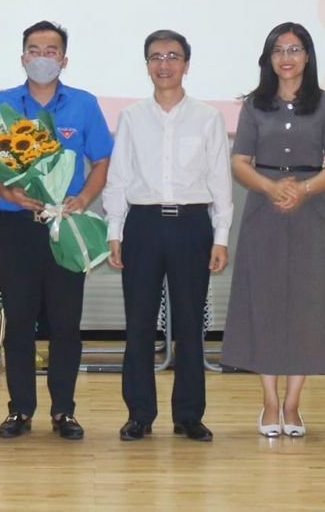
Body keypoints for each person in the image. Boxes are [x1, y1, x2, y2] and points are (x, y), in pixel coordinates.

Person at [0, 20, 112, 440]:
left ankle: (63, 411)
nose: (42, 58)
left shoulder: (84, 104)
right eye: (34, 50)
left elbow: (102, 160)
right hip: (17, 226)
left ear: (64, 60)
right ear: (22, 58)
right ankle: (20, 409)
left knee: (65, 323)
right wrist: (9, 192)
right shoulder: (1, 104)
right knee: (18, 322)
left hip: (64, 225)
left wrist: (84, 198)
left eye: (51, 51)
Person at [220, 22, 325, 438]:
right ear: (268, 58)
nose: (286, 58)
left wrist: (304, 189)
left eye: (294, 49)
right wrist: (272, 187)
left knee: (306, 306)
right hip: (264, 209)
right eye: (278, 50)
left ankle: (292, 404)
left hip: (312, 212)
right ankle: (270, 402)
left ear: (307, 56)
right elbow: (240, 162)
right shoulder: (255, 105)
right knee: (266, 302)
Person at [103, 29, 232, 442]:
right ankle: (139, 414)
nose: (164, 64)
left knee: (191, 323)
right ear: (146, 65)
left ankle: (189, 415)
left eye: (173, 56)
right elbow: (118, 176)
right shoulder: (131, 116)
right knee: (139, 323)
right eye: (156, 57)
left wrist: (221, 236)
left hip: (192, 225)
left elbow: (221, 180)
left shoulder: (208, 117)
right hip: (142, 224)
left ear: (186, 64)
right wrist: (114, 229)